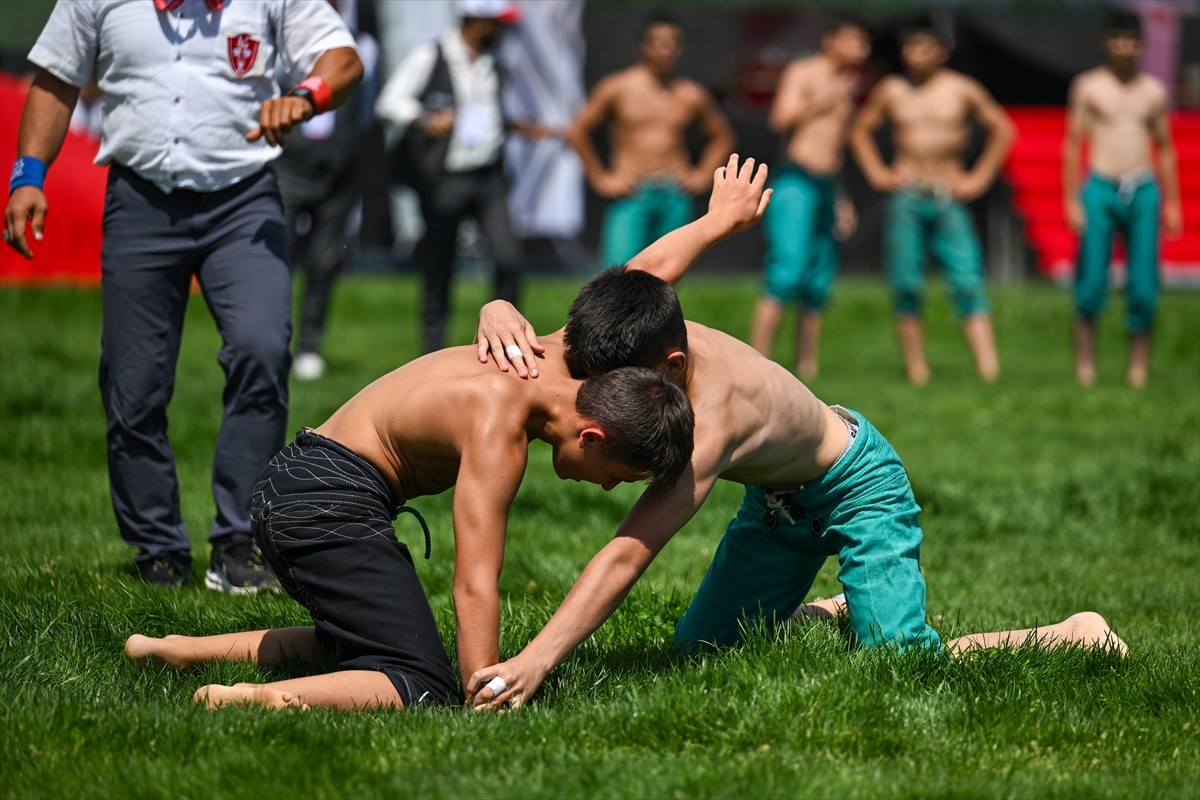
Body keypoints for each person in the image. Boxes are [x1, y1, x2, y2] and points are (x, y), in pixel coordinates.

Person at [467, 155, 1126, 711]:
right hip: (777, 505)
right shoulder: (638, 324)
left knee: (903, 664)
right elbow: (646, 269)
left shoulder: (716, 419)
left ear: (669, 368)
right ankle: (831, 608)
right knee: (699, 654)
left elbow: (628, 552)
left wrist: (536, 660)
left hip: (856, 485)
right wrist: (498, 308)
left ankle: (1075, 631)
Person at [3, 0, 364, 592]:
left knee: (261, 349)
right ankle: (158, 548)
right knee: (133, 380)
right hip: (139, 200)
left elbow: (344, 60)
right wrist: (28, 177)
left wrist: (306, 94)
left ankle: (239, 543)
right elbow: (56, 79)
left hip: (243, 201)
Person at [124, 347, 694, 711]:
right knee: (420, 681)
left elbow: (631, 290)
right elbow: (475, 580)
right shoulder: (501, 428)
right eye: (619, 476)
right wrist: (483, 690)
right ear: (592, 436)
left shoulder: (532, 357)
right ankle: (254, 700)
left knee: (359, 642)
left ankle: (173, 650)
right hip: (324, 502)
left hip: (296, 479)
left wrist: (718, 223)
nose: (610, 490)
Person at [375, 0, 549, 354]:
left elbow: (484, 114)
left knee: (508, 259)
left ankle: (508, 341)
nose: (504, 30)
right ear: (477, 21)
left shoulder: (492, 61)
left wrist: (516, 126)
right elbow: (389, 103)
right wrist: (424, 119)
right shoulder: (432, 54)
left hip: (488, 179)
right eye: (498, 22)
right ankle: (433, 350)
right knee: (438, 267)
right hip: (443, 180)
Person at [849, 17, 1012, 386]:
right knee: (906, 283)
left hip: (948, 195)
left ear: (941, 50)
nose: (914, 55)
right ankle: (916, 369)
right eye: (908, 47)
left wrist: (979, 177)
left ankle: (989, 371)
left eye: (922, 47)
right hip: (907, 195)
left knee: (968, 279)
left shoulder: (963, 90)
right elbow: (860, 129)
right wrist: (878, 172)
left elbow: (1002, 129)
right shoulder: (892, 89)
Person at [1063, 11, 1183, 389]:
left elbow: (1165, 148)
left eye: (1130, 39)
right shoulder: (1088, 86)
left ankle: (1138, 369)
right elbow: (1071, 144)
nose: (1123, 46)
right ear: (1106, 41)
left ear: (1141, 44)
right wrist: (1070, 200)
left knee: (1144, 284)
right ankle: (1085, 367)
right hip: (1100, 185)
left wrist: (1174, 202)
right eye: (1116, 38)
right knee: (1091, 281)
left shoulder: (1154, 91)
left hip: (1143, 186)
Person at [750, 15, 871, 381]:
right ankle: (757, 359)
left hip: (826, 186)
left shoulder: (851, 83)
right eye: (854, 41)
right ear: (830, 40)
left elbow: (834, 145)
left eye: (864, 44)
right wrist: (823, 99)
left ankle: (807, 364)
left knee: (818, 280)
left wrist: (841, 198)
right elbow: (780, 120)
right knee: (787, 270)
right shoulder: (804, 72)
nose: (861, 50)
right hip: (795, 182)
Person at [567, 11, 735, 267]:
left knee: (669, 274)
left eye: (672, 42)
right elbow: (578, 131)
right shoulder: (617, 87)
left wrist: (702, 175)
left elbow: (722, 136)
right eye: (657, 42)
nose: (664, 49)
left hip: (674, 191)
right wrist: (601, 178)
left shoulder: (690, 94)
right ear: (642, 46)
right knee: (618, 273)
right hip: (632, 190)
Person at [277, 0, 381, 382]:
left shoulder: (365, 45)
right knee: (278, 255)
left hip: (337, 169)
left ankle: (309, 346)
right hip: (289, 163)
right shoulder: (285, 38)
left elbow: (367, 110)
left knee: (324, 260)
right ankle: (275, 340)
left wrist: (345, 150)